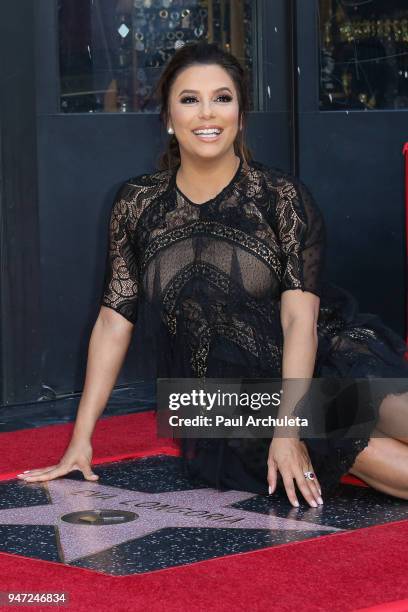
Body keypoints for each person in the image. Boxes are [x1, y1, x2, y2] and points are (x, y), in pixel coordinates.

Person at [18, 42, 408, 509]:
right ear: (168, 115)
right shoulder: (136, 205)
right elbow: (113, 321)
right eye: (190, 99)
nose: (208, 113)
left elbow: (298, 321)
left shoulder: (280, 198)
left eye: (222, 98)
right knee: (383, 460)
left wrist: (289, 427)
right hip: (222, 405)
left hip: (312, 365)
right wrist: (80, 441)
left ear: (241, 114)